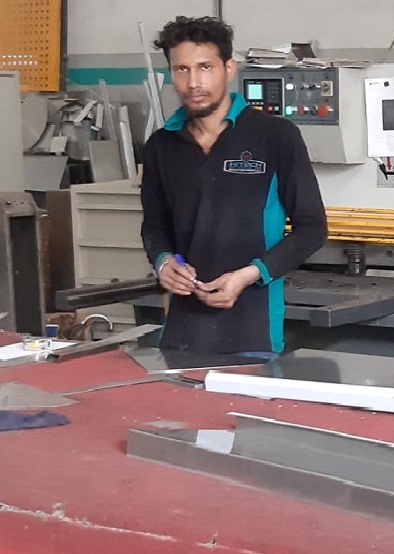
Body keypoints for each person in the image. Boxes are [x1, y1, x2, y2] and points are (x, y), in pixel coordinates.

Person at [141, 15, 327, 355]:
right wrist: (164, 262)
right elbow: (154, 227)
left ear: (228, 68)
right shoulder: (160, 145)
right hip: (182, 334)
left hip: (253, 331)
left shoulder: (276, 137)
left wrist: (249, 275)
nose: (193, 82)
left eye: (205, 67)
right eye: (182, 69)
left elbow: (313, 228)